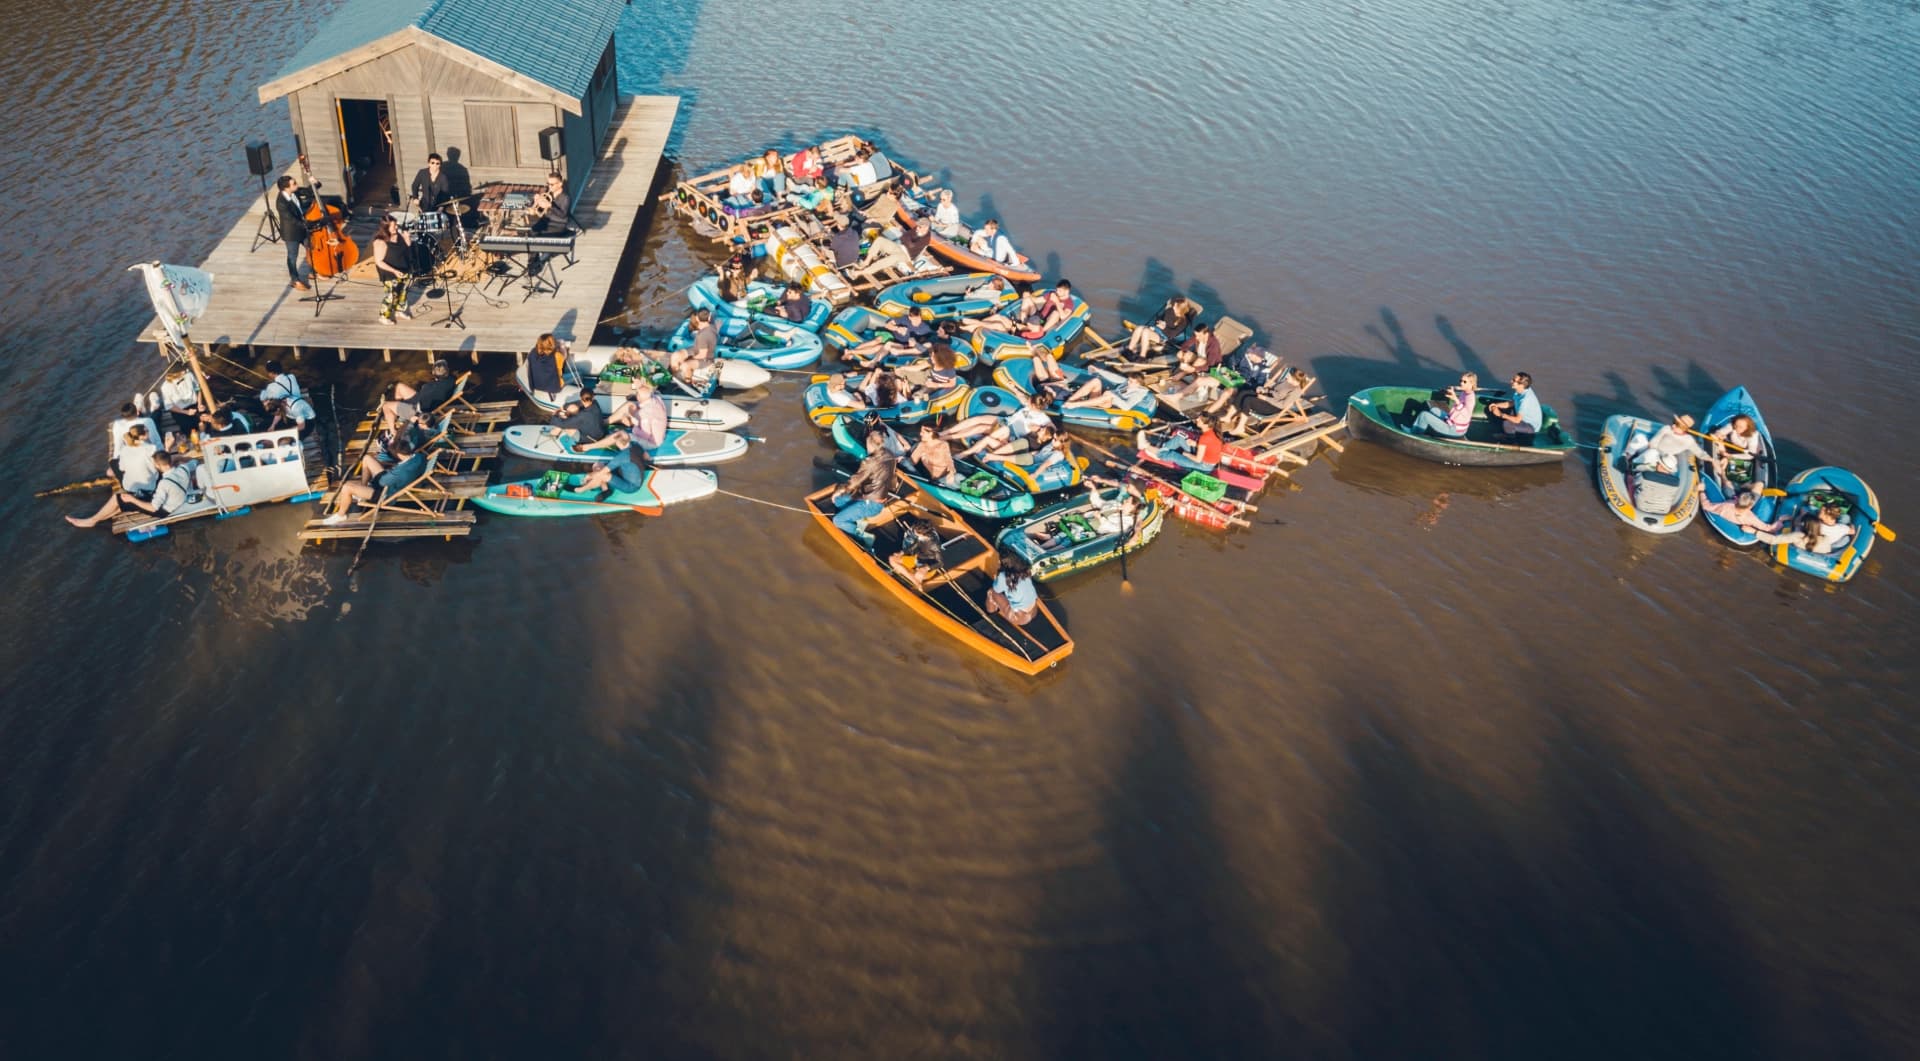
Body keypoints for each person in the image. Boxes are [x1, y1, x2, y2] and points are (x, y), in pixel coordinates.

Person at [67, 449, 189, 528]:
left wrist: (133, 499)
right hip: (177, 499)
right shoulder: (184, 469)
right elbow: (190, 462)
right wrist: (182, 458)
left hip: (163, 510)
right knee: (123, 503)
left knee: (118, 498)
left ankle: (91, 521)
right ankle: (99, 518)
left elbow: (153, 507)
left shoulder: (164, 484)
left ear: (158, 465)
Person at [323, 438, 428, 522]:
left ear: (399, 454)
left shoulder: (400, 472)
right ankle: (363, 489)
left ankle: (341, 515)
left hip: (386, 494)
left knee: (347, 488)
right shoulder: (418, 457)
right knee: (367, 458)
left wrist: (385, 471)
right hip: (392, 481)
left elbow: (382, 482)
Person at [831, 446, 901, 547]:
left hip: (872, 505)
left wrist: (839, 490)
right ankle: (859, 519)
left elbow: (855, 481)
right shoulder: (889, 455)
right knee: (838, 501)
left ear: (870, 445)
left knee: (837, 520)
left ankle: (864, 536)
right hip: (867, 497)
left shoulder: (870, 462)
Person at [1694, 481, 1788, 537]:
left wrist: (1701, 491)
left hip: (1731, 501)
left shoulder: (1725, 507)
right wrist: (1780, 520)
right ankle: (1747, 486)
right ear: (1750, 506)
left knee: (1727, 483)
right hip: (1739, 508)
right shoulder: (1750, 518)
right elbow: (1769, 528)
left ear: (1738, 499)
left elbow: (1706, 506)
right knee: (1759, 484)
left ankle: (1727, 476)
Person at [1125, 294, 1200, 357]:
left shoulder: (1184, 321)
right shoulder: (1169, 311)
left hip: (1164, 336)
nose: (1174, 305)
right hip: (1156, 329)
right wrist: (1159, 323)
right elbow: (1159, 320)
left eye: (1176, 305)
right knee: (1139, 328)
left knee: (1145, 332)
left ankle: (1142, 357)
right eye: (1174, 304)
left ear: (1180, 309)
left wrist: (1164, 328)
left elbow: (1171, 335)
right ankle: (1129, 350)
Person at [603, 379, 668, 451]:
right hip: (648, 426)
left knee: (621, 436)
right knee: (630, 405)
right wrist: (640, 386)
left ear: (638, 397)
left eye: (637, 393)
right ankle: (605, 422)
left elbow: (645, 435)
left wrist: (632, 424)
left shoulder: (644, 414)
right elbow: (647, 392)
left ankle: (607, 442)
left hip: (651, 442)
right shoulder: (656, 399)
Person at [370, 217, 413, 324]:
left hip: (403, 268)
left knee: (403, 292)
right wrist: (394, 271)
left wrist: (407, 237)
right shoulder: (380, 242)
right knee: (390, 295)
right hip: (390, 272)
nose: (397, 227)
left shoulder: (398, 235)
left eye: (396, 225)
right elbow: (379, 262)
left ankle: (399, 310)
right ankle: (384, 316)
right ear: (386, 228)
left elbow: (407, 246)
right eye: (394, 226)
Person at [1631, 412, 1707, 473]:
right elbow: (1653, 442)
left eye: (1677, 425)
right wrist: (1653, 451)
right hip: (1651, 451)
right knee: (1640, 437)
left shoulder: (1689, 440)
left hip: (1663, 461)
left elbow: (1700, 453)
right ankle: (1627, 458)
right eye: (1674, 422)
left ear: (1684, 429)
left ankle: (1633, 466)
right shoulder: (1667, 429)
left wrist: (1713, 460)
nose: (1673, 425)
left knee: (1655, 454)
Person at [273, 175, 312, 291]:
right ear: (286, 188)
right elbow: (291, 219)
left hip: (301, 228)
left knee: (311, 249)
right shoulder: (281, 203)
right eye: (294, 183)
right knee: (292, 256)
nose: (297, 185)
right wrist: (306, 225)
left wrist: (315, 183)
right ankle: (294, 280)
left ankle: (313, 271)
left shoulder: (295, 192)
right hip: (291, 233)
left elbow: (310, 191)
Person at [1410, 373, 1479, 438]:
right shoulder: (1464, 392)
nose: (1461, 383)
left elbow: (1466, 414)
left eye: (1464, 382)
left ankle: (1414, 434)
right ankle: (1421, 427)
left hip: (1455, 430)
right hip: (1451, 420)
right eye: (1461, 380)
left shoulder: (1471, 398)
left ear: (1471, 384)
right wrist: (1452, 394)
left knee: (1424, 415)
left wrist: (1455, 399)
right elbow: (1459, 406)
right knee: (1433, 409)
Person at [1708, 413, 1764, 488]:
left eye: (1741, 427)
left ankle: (1734, 481)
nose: (1737, 428)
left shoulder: (1752, 435)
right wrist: (1720, 435)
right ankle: (1723, 468)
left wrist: (1730, 456)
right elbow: (1718, 433)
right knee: (1713, 438)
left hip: (1742, 454)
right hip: (1729, 448)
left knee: (1738, 478)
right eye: (1736, 425)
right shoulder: (1732, 426)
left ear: (1748, 427)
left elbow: (1750, 455)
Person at [259, 359, 316, 432]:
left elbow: (262, 397)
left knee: (265, 415)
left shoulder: (271, 386)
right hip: (295, 406)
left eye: (268, 373)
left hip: (293, 412)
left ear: (271, 373)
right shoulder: (291, 377)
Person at [886, 516, 945, 587]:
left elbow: (940, 563)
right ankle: (912, 578)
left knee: (916, 574)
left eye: (916, 532)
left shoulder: (934, 545)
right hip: (917, 559)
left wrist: (925, 568)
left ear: (923, 534)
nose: (914, 532)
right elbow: (916, 545)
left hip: (926, 568)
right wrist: (902, 552)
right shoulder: (922, 537)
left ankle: (911, 578)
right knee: (892, 559)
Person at [1485, 371, 1543, 438]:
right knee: (1502, 411)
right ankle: (1504, 432)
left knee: (1507, 424)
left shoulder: (1525, 400)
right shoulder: (1520, 391)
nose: (1511, 381)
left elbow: (1517, 420)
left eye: (1514, 380)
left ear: (1521, 385)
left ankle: (1510, 439)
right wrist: (1496, 405)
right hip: (1522, 419)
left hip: (1531, 427)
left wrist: (1501, 414)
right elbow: (1512, 403)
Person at [986, 552, 1038, 626]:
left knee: (991, 592)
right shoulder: (1025, 571)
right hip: (1034, 610)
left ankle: (990, 611)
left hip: (1020, 618)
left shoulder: (1003, 576)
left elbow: (996, 590)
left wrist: (996, 579)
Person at [154, 369, 202, 448]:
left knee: (203, 422)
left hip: (195, 404)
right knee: (188, 427)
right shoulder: (165, 387)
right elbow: (169, 406)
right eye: (183, 371)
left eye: (185, 371)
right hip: (180, 410)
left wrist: (200, 404)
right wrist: (186, 412)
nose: (185, 372)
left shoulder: (189, 374)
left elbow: (198, 389)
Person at [671, 309, 719, 386]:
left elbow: (702, 355)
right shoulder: (712, 324)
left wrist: (688, 359)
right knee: (675, 355)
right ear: (709, 317)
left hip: (706, 359)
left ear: (697, 318)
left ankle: (687, 383)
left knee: (685, 365)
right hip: (696, 349)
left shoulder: (703, 336)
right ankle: (674, 378)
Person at [909, 422, 963, 488]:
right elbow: (912, 461)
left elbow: (949, 460)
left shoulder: (943, 444)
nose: (920, 434)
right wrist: (902, 459)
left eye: (923, 432)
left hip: (949, 475)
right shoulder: (922, 445)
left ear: (931, 433)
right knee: (954, 485)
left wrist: (951, 473)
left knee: (959, 477)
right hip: (938, 481)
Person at [526, 333, 571, 403]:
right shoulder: (557, 356)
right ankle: (551, 392)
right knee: (577, 375)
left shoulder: (532, 353)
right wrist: (562, 346)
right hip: (554, 386)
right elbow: (564, 358)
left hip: (537, 384)